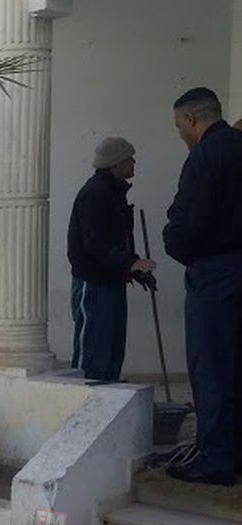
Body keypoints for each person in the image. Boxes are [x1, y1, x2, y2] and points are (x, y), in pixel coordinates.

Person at [162, 87, 242, 485]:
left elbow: (189, 224)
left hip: (215, 275)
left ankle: (215, 460)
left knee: (211, 367)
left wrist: (176, 245)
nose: (180, 133)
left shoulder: (204, 157)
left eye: (180, 125)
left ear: (192, 120)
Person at [68, 137, 157, 382]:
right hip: (94, 284)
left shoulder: (113, 192)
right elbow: (94, 243)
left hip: (113, 281)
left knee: (112, 352)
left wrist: (135, 270)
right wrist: (128, 263)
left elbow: (117, 240)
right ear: (116, 163)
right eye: (130, 158)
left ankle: (108, 400)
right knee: (93, 356)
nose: (134, 162)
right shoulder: (95, 193)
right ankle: (85, 402)